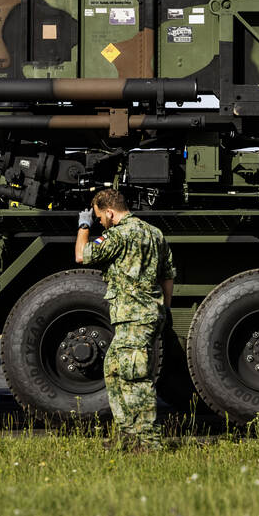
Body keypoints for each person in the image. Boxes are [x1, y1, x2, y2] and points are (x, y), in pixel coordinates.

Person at [74, 188, 175, 450]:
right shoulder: (155, 234)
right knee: (114, 369)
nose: (99, 222)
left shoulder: (118, 235)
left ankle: (149, 441)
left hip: (133, 316)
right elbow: (168, 275)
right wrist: (163, 310)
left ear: (110, 211)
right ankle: (128, 434)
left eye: (99, 217)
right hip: (147, 314)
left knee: (135, 376)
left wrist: (83, 227)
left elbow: (81, 255)